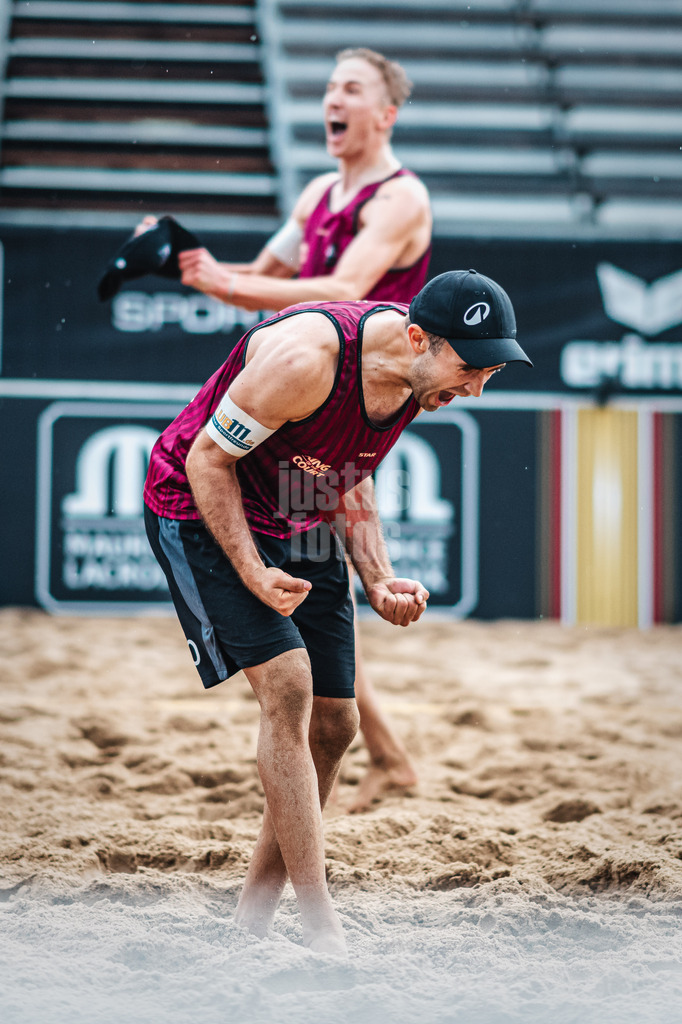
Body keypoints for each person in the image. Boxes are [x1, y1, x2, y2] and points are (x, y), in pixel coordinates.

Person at [143, 269, 532, 954]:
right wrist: (253, 571)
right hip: (200, 505)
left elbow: (347, 469)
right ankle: (322, 925)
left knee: (337, 723)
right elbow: (208, 461)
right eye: (470, 369)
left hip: (296, 505)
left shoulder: (416, 376)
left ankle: (251, 924)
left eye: (489, 372)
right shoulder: (304, 360)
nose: (474, 389)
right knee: (288, 688)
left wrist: (378, 578)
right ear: (418, 339)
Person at [137, 47, 432, 812]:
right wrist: (193, 263)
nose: (331, 97)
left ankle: (381, 759)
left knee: (307, 617)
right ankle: (382, 759)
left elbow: (339, 289)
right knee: (306, 622)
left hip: (365, 407)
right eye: (329, 84)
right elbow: (262, 285)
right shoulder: (317, 193)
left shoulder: (399, 199)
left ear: (385, 114)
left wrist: (225, 281)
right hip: (305, 409)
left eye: (350, 88)